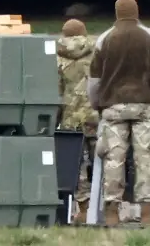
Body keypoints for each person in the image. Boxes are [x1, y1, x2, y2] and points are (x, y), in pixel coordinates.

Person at [87, 0, 150, 227]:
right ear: (136, 12)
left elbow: (94, 81)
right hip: (145, 107)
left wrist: (97, 103)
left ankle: (111, 213)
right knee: (145, 159)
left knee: (113, 159)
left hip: (113, 107)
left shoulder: (104, 39)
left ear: (117, 13)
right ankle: (146, 214)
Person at [56, 19, 97, 224]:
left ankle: (82, 209)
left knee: (76, 165)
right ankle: (104, 207)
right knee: (102, 161)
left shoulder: (58, 58)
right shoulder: (97, 53)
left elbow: (56, 91)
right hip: (96, 115)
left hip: (70, 117)